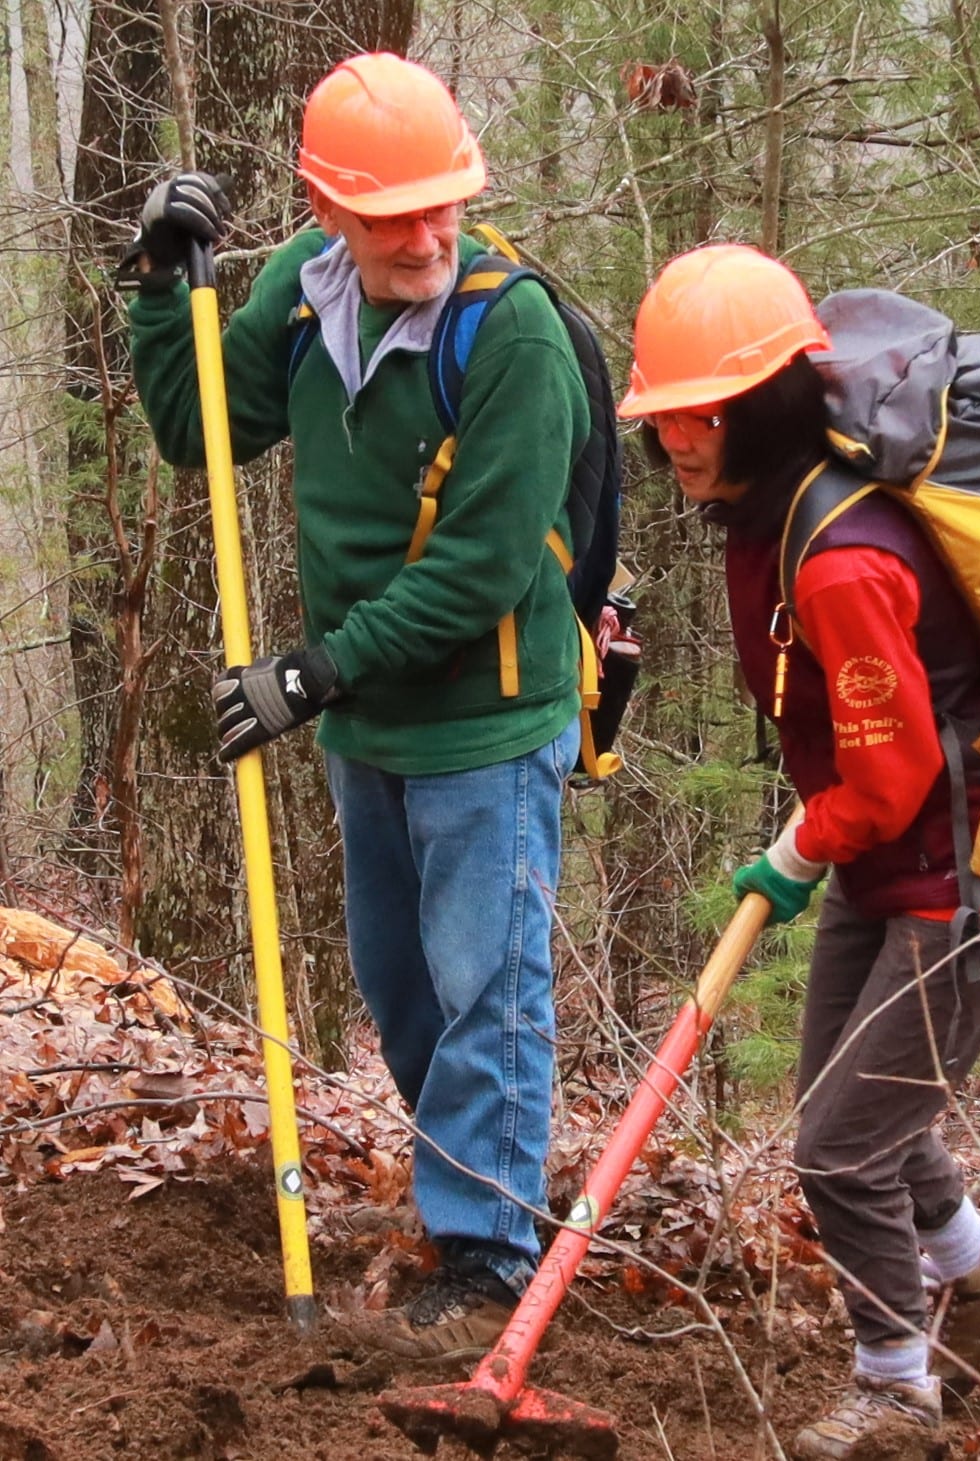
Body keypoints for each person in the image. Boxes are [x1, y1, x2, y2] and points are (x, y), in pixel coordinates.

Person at [123, 51, 590, 1360]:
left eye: (446, 204)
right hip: (368, 725)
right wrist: (164, 286)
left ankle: (493, 1261)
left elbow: (486, 567)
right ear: (327, 210)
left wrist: (310, 670)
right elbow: (196, 427)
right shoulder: (300, 290)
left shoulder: (517, 334)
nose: (426, 235)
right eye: (393, 215)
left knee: (486, 986)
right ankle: (462, 1215)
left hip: (489, 727)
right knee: (402, 992)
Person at [617, 244, 980, 1460]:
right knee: (849, 1108)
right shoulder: (768, 514)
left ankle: (893, 1387)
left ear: (764, 406)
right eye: (666, 417)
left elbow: (895, 772)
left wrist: (800, 846)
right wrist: (822, 841)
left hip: (963, 885)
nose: (679, 440)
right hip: (891, 863)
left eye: (704, 412)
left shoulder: (845, 555)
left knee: (837, 1150)